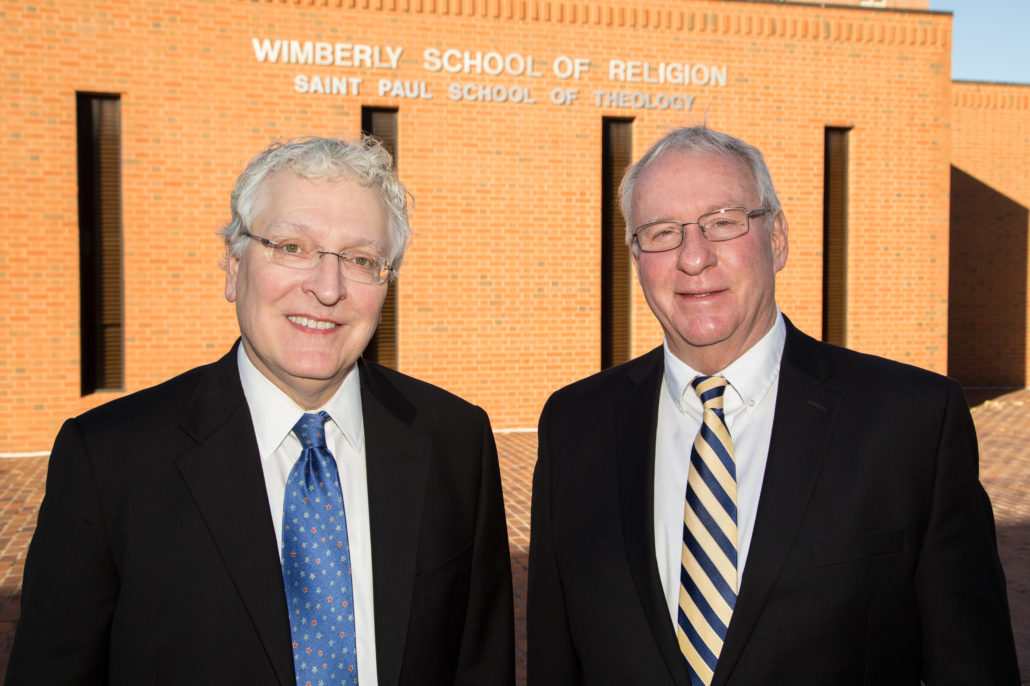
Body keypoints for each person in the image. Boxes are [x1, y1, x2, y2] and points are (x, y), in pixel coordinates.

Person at [7, 136, 515, 685]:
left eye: (362, 259)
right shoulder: (109, 459)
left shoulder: (457, 441)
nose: (327, 287)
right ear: (232, 266)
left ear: (387, 283)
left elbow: (479, 662)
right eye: (292, 247)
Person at [527, 126, 1019, 685]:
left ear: (777, 237)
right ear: (637, 257)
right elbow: (553, 658)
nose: (694, 257)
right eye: (662, 232)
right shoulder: (574, 426)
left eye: (723, 222)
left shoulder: (911, 421)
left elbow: (975, 666)